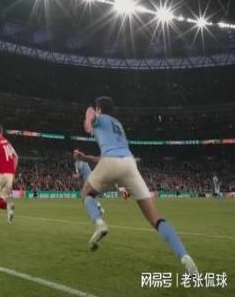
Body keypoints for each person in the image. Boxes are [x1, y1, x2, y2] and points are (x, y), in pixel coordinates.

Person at [80, 96, 198, 274]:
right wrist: (85, 157)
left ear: (99, 109)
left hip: (110, 162)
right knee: (155, 219)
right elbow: (109, 156)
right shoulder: (118, 125)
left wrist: (89, 120)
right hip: (129, 164)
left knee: (86, 194)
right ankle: (185, 256)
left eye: (96, 109)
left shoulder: (98, 116)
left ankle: (99, 222)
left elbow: (89, 116)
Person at [72, 149, 104, 214]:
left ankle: (98, 208)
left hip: (90, 179)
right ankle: (98, 208)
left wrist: (76, 176)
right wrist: (77, 176)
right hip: (86, 180)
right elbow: (78, 173)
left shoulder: (82, 161)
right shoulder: (76, 164)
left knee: (87, 195)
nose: (74, 155)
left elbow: (79, 174)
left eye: (76, 154)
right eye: (74, 153)